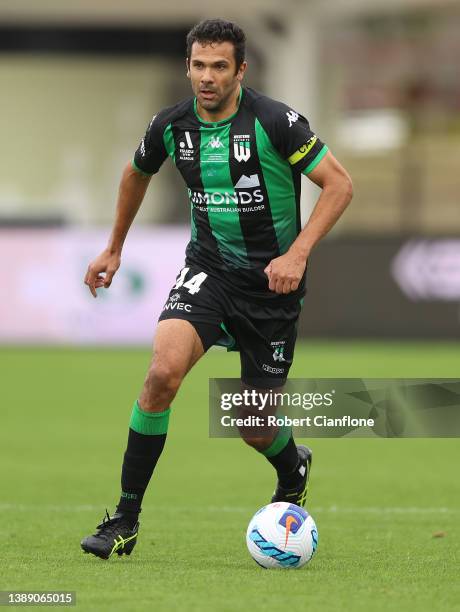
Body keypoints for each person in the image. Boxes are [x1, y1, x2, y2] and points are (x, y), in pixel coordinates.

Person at [81, 18, 353, 560]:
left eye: (219, 67)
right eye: (199, 66)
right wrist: (114, 246)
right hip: (208, 271)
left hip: (272, 289)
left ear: (240, 70)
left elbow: (340, 185)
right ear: (188, 67)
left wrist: (297, 253)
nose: (207, 77)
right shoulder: (171, 125)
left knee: (252, 425)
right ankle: (125, 519)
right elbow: (136, 173)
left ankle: (292, 466)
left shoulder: (276, 122)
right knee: (161, 373)